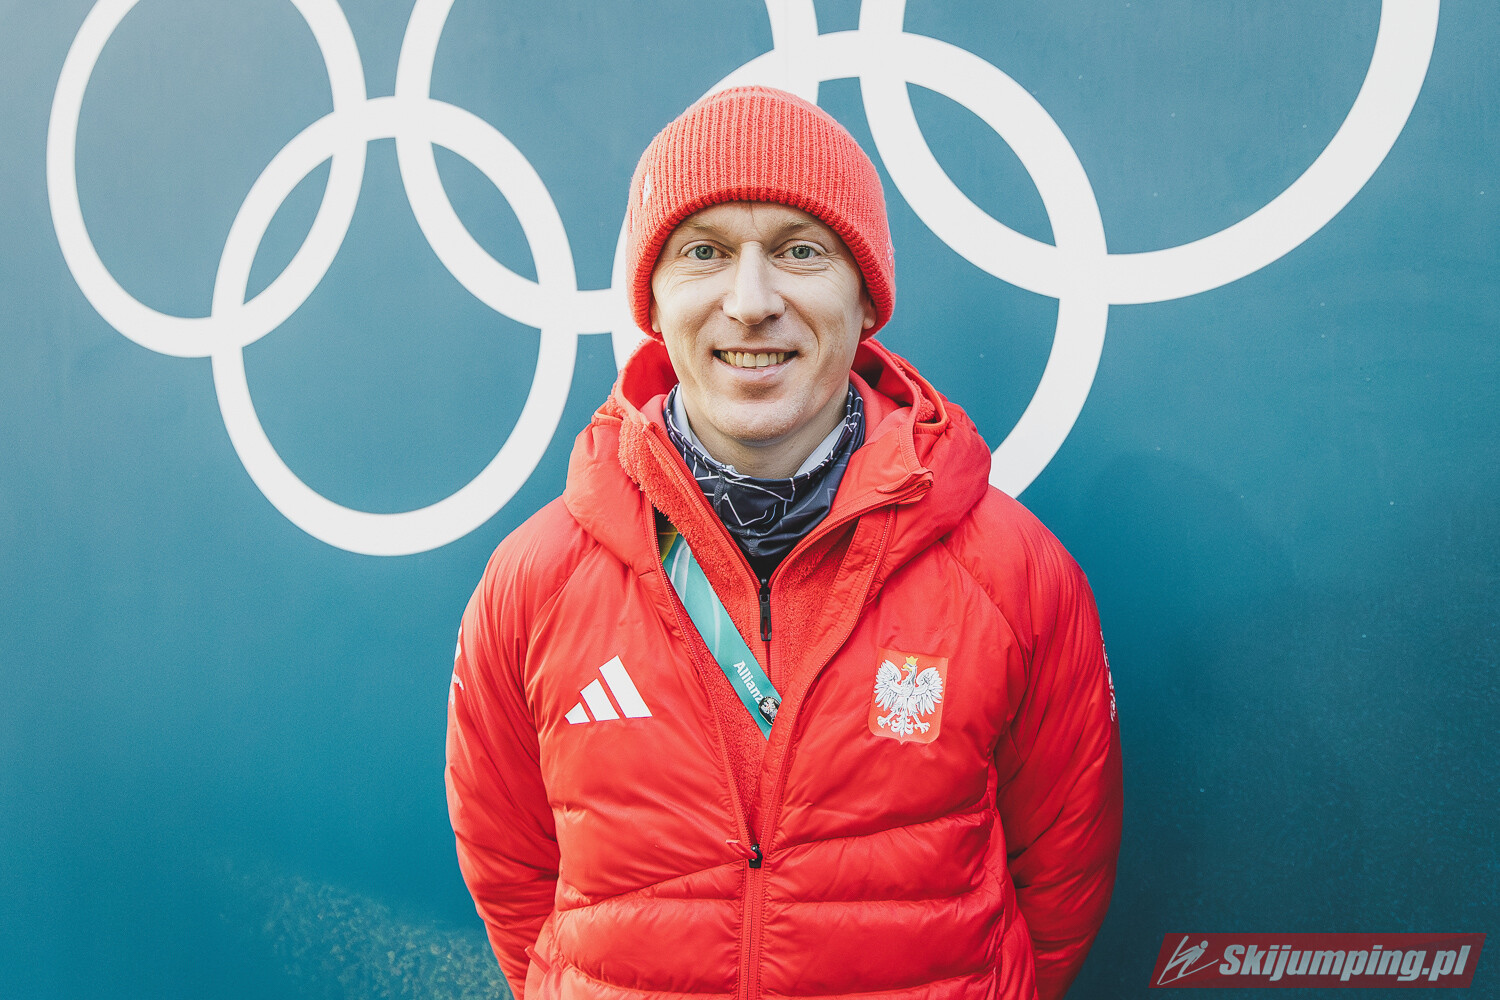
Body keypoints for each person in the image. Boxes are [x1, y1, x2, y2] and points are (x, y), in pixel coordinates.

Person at [446, 85, 1123, 1000]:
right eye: (704, 252)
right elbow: (514, 872)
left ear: (867, 298)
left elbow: (1062, 879)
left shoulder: (1014, 574)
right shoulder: (535, 580)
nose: (752, 301)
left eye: (801, 251)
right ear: (653, 301)